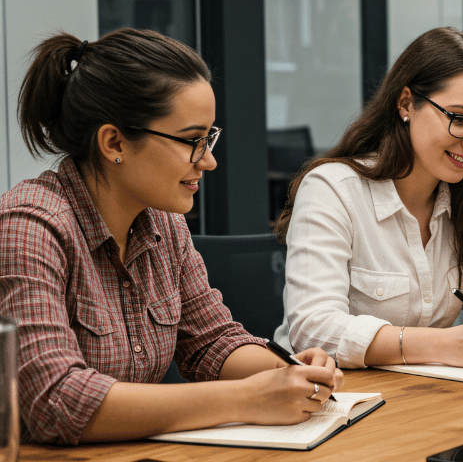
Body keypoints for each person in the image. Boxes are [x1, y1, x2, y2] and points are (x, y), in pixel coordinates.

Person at [0, 29, 343, 446]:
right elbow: (56, 398)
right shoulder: (29, 227)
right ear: (114, 143)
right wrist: (246, 398)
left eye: (209, 139)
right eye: (191, 141)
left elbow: (211, 342)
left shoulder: (163, 222)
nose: (210, 161)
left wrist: (282, 370)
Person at [274, 27, 463, 370]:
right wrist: (447, 344)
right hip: (335, 401)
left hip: (428, 398)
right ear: (406, 103)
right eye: (460, 119)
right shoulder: (333, 190)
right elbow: (314, 331)